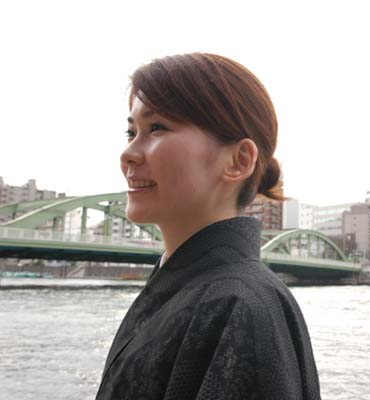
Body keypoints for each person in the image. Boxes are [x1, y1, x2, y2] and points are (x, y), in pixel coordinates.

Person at [96, 53, 321, 400]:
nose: (127, 154)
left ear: (238, 161)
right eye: (131, 132)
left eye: (157, 128)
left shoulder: (240, 305)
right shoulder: (211, 293)